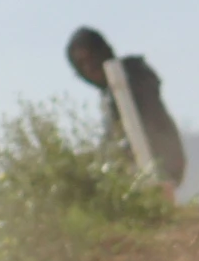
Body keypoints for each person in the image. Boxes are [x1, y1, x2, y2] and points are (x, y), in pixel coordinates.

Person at [65, 26, 187, 192]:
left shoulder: (132, 75)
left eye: (91, 60)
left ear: (103, 53)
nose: (88, 69)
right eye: (81, 65)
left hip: (160, 163)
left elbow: (146, 123)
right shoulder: (110, 92)